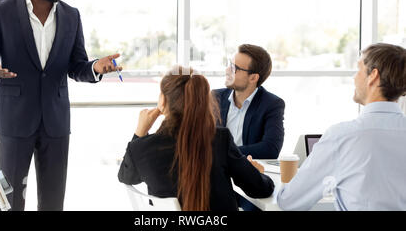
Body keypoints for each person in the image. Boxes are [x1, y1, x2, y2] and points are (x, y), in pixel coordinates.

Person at [0, 0, 122, 211]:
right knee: (9, 201)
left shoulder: (71, 15)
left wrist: (95, 67)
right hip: (14, 122)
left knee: (53, 203)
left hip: (56, 123)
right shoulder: (1, 10)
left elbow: (76, 66)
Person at [118, 66, 274, 211]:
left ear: (163, 101)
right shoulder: (220, 139)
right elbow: (260, 189)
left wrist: (139, 132)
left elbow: (126, 176)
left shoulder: (140, 148)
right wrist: (256, 173)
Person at [277, 43, 406, 211]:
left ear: (373, 76)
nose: (354, 77)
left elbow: (289, 201)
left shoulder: (344, 136)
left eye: (358, 69)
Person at [213, 44, 285, 210]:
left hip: (248, 177)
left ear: (253, 78)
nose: (227, 70)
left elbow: (270, 148)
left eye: (234, 68)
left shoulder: (272, 104)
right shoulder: (214, 98)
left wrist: (227, 155)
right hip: (219, 178)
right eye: (229, 64)